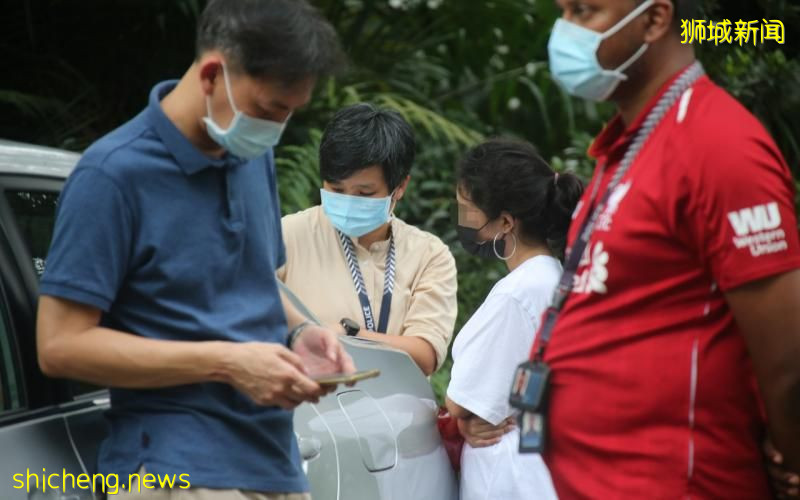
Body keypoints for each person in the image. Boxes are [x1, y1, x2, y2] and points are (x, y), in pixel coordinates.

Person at [35, 1, 354, 499]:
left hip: (274, 464)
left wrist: (302, 330)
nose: (276, 127)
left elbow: (254, 278)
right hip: (174, 473)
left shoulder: (253, 156)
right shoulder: (112, 176)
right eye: (269, 110)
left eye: (290, 113)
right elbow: (59, 346)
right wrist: (227, 362)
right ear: (211, 75)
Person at [526, 0, 800, 497]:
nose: (564, 31)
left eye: (585, 12)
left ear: (654, 20)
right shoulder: (628, 149)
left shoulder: (718, 144)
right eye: (563, 11)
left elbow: (789, 359)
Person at [445, 139, 583, 500]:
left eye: (467, 210)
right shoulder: (553, 276)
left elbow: (462, 402)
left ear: (505, 221)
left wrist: (461, 417)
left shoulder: (516, 294)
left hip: (508, 478)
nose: (463, 221)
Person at [277, 103, 458, 376]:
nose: (348, 201)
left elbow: (424, 354)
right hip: (307, 410)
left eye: (364, 193)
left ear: (400, 188)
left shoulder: (429, 254)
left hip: (395, 413)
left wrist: (350, 333)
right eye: (336, 189)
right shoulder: (286, 235)